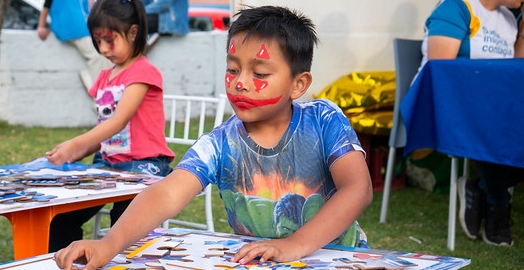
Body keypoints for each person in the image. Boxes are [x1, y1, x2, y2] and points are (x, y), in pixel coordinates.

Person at [53, 5, 373, 269]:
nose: (240, 83)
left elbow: (357, 188)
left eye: (259, 74)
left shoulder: (323, 120)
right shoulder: (220, 143)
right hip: (261, 263)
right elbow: (166, 193)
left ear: (298, 84)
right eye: (233, 69)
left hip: (338, 259)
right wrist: (109, 243)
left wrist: (295, 245)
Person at [45, 0, 175, 252]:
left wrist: (76, 142)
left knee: (125, 225)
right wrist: (72, 153)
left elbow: (118, 121)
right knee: (60, 220)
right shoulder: (106, 76)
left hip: (144, 165)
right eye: (97, 41)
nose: (103, 49)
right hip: (107, 165)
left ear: (133, 32)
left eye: (110, 40)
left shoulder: (143, 72)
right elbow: (104, 129)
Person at [418, 0, 524, 247]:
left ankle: (480, 187)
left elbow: (518, 75)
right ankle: (498, 207)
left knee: (504, 122)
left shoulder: (510, 19)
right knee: (493, 123)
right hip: (439, 104)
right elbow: (440, 74)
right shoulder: (457, 8)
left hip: (490, 111)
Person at [37, 0, 110, 91]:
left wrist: (41, 26)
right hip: (78, 29)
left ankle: (94, 85)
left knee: (102, 54)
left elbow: (46, 7)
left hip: (67, 29)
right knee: (100, 53)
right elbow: (91, 6)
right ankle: (96, 89)